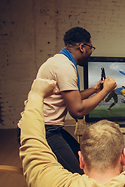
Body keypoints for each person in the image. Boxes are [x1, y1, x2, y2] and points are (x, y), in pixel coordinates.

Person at [18, 27, 117, 174]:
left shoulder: (59, 61)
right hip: (43, 130)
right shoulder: (65, 67)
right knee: (78, 173)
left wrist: (94, 90)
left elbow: (69, 97)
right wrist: (105, 91)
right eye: (91, 48)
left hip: (47, 127)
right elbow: (77, 110)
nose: (91, 52)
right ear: (83, 47)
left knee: (83, 160)